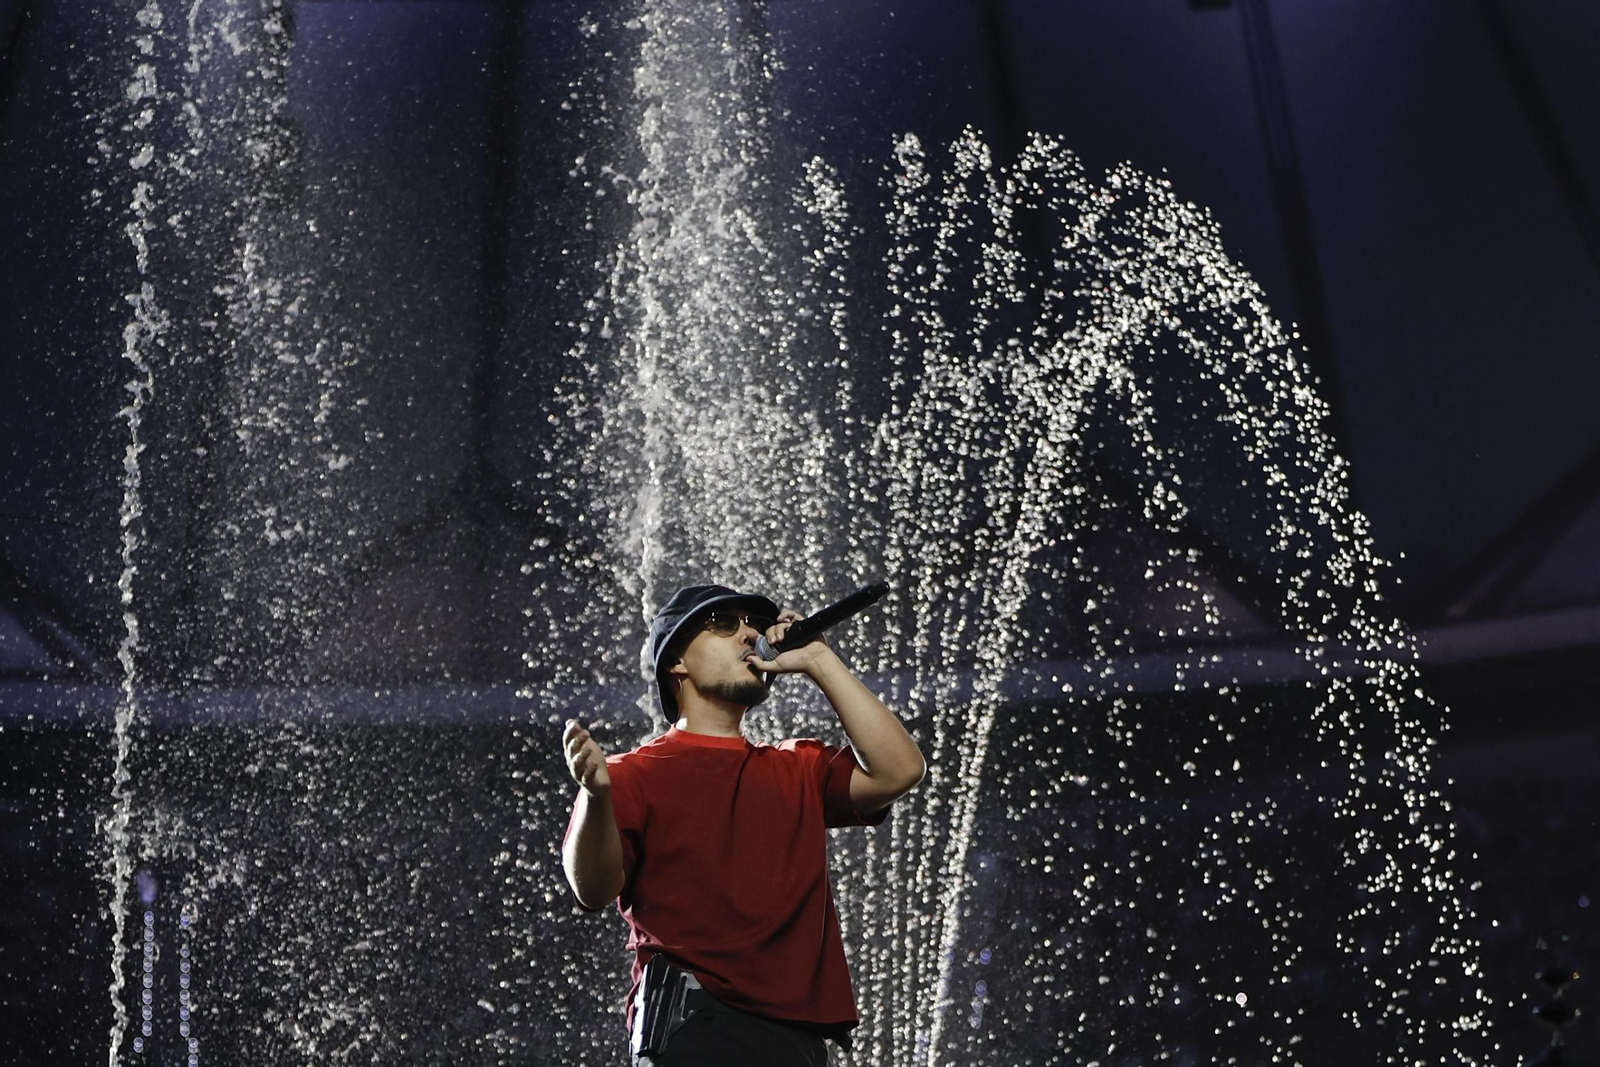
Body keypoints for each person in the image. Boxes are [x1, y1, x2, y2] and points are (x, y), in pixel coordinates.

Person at [561, 583, 926, 1065]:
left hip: (798, 1039)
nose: (748, 635)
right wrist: (594, 796)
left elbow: (900, 770)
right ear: (677, 662)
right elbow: (592, 889)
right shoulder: (630, 774)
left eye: (750, 624)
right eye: (723, 624)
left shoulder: (800, 766)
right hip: (693, 1030)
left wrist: (819, 660)